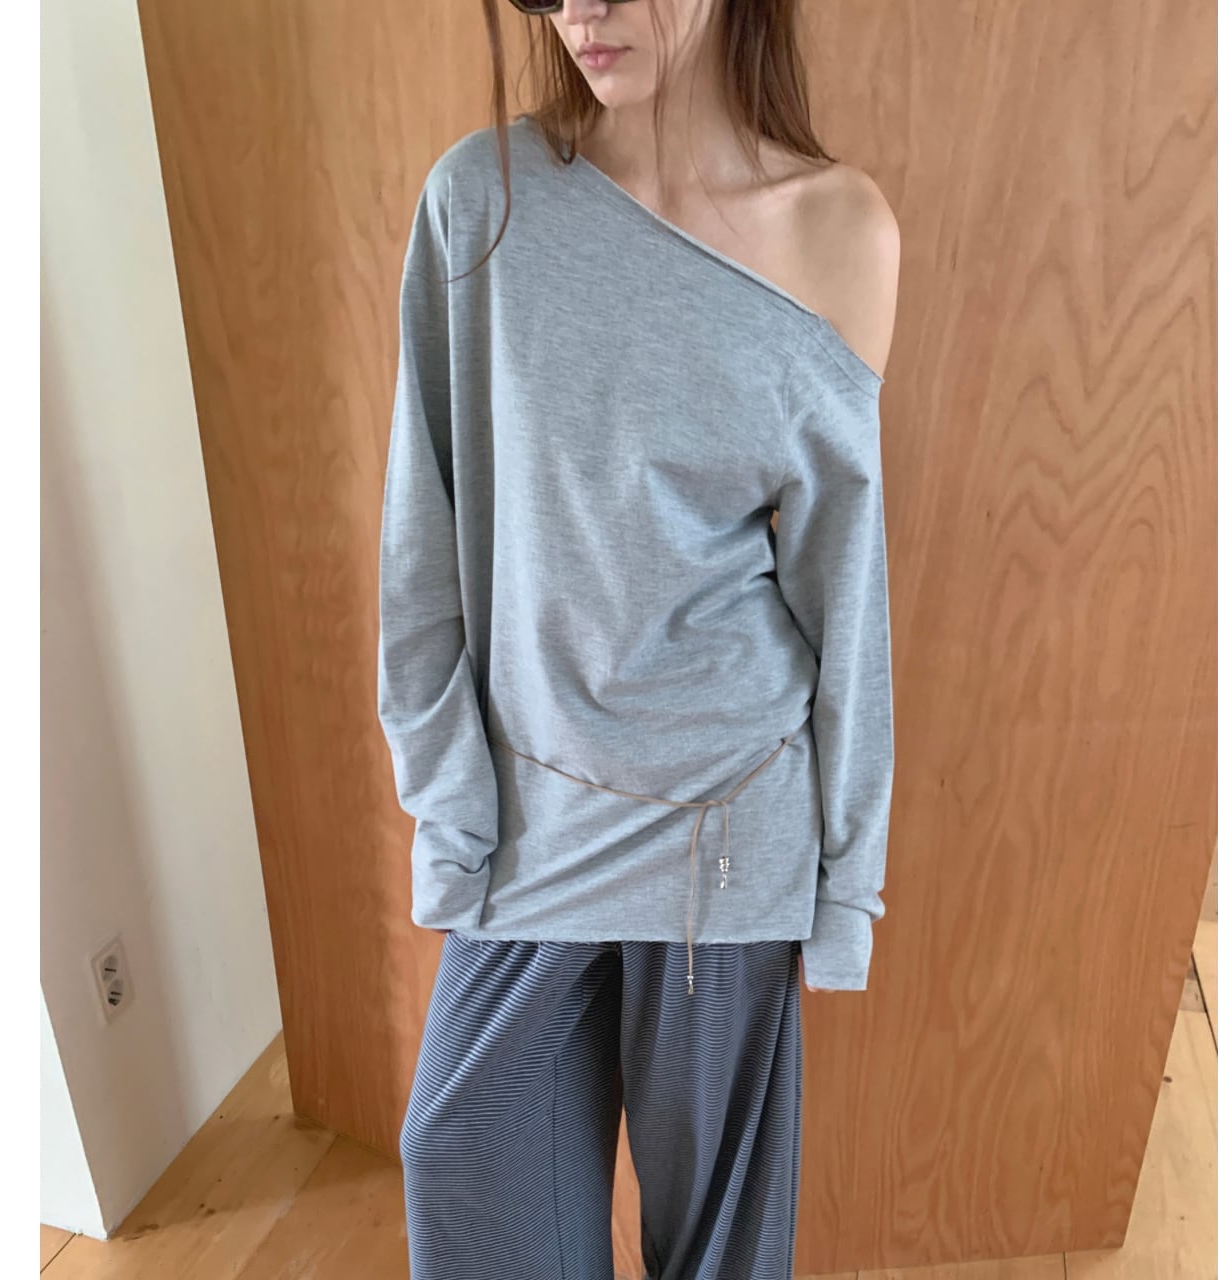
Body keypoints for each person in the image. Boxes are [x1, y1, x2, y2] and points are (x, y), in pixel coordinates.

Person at [376, 1, 900, 1276]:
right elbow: (422, 551)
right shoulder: (480, 202)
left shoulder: (837, 231)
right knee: (461, 1159)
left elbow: (843, 591)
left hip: (729, 835)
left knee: (718, 1247)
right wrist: (450, 817)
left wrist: (845, 884)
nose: (577, 10)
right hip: (532, 828)